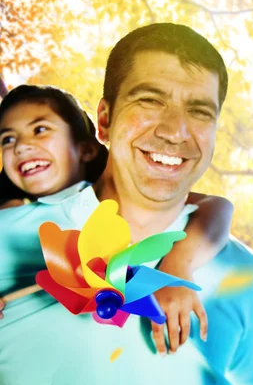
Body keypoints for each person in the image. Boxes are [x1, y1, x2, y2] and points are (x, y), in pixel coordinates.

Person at [0, 23, 253, 385]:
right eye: (150, 100)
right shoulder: (11, 242)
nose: (175, 130)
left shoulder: (249, 279)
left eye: (200, 111)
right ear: (105, 121)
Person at [0, 84, 233, 353]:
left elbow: (217, 206)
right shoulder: (12, 221)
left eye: (40, 130)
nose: (21, 147)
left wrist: (177, 266)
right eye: (7, 139)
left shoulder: (120, 199)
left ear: (86, 149)